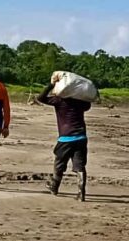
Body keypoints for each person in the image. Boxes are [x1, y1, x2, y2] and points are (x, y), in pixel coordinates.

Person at [37, 73, 92, 202]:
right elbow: (88, 104)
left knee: (59, 163)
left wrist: (52, 85)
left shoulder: (59, 101)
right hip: (81, 137)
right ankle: (81, 192)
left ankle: (54, 187)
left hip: (66, 138)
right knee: (79, 165)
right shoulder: (80, 103)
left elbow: (40, 98)